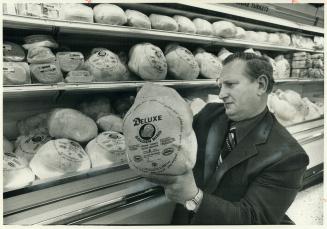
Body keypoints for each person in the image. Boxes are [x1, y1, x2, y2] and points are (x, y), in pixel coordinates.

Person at [144, 52, 309, 224]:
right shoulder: (209, 114)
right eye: (220, 85)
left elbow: (254, 219)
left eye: (230, 85)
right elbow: (179, 150)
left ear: (261, 85)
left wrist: (195, 198)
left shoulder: (289, 156)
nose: (221, 94)